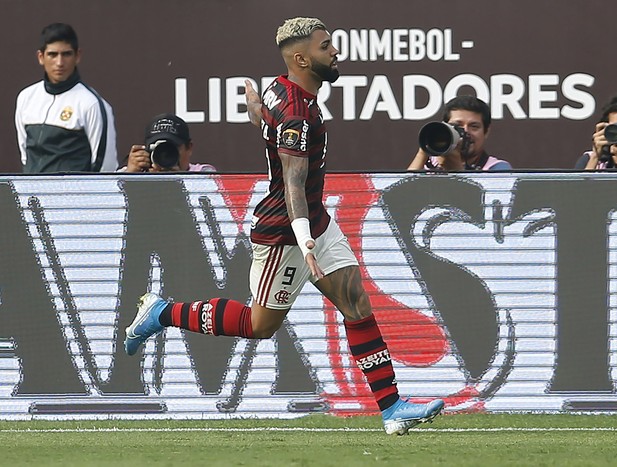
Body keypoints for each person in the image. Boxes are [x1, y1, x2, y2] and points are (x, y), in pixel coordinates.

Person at [124, 17, 444, 435]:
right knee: (261, 325)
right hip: (285, 232)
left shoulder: (281, 89)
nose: (335, 52)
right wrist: (306, 243)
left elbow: (265, 118)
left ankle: (392, 409)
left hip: (313, 221)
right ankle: (163, 311)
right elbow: (293, 181)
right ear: (301, 58)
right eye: (325, 46)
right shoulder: (297, 113)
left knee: (356, 304)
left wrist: (255, 110)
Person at [14, 23, 118, 173]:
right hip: (32, 195)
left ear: (78, 56)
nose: (60, 62)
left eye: (67, 54)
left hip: (74, 195)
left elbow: (105, 168)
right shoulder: (26, 97)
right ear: (41, 57)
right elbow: (26, 157)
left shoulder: (91, 103)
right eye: (53, 54)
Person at [407, 95, 512, 172]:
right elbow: (401, 195)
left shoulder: (498, 169)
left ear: (486, 131)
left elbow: (474, 201)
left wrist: (456, 169)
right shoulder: (428, 165)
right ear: (445, 127)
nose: (465, 132)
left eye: (474, 126)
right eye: (457, 126)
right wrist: (423, 152)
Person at [120, 113, 216, 172]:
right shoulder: (131, 173)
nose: (165, 154)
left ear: (189, 148)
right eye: (158, 147)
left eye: (172, 147)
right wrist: (130, 177)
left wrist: (180, 179)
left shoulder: (204, 173)